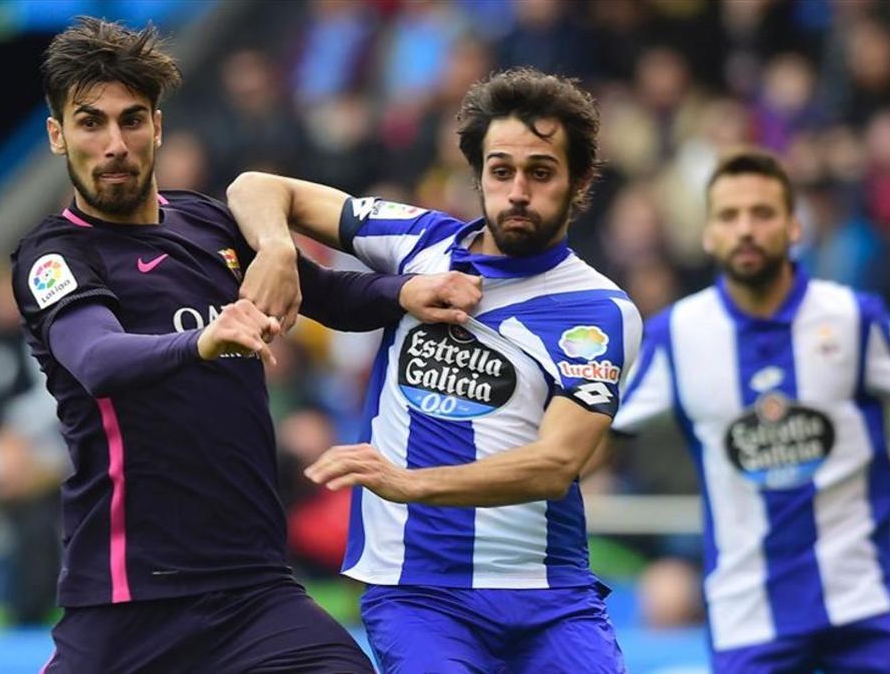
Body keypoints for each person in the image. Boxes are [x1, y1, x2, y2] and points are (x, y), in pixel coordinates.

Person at [11, 18, 481, 673]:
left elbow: (326, 294)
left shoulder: (208, 224)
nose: (114, 143)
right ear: (59, 135)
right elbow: (96, 359)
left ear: (159, 127)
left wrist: (403, 292)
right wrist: (203, 339)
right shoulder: (54, 255)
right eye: (91, 123)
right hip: (129, 600)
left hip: (253, 590)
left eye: (132, 120)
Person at [226, 67, 638, 673]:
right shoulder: (419, 242)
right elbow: (256, 187)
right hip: (419, 596)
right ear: (478, 176)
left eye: (540, 172)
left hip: (549, 596)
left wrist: (410, 483)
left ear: (578, 183)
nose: (517, 190)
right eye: (501, 171)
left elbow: (557, 464)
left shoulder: (599, 310)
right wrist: (280, 248)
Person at [611, 149, 890, 672]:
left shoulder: (857, 319)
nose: (745, 228)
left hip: (866, 609)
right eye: (729, 216)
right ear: (708, 234)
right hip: (748, 618)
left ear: (794, 227)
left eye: (763, 213)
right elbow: (588, 436)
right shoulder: (674, 336)